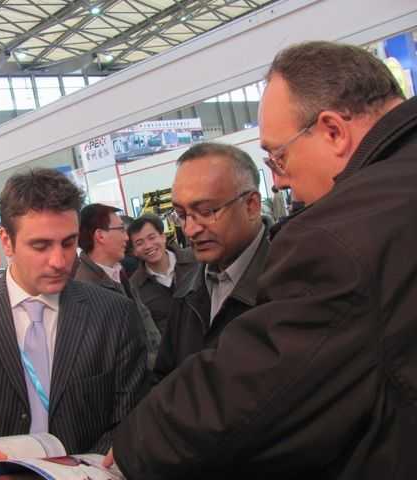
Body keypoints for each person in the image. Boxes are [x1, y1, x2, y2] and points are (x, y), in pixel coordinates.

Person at [109, 40, 416, 479]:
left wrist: (135, 445)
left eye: (279, 156)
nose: (279, 180)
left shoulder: (338, 234)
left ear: (333, 131)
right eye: (181, 214)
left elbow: (262, 385)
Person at [0, 169, 146, 480]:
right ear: (7, 242)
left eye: (68, 243)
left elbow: (131, 418)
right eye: (40, 246)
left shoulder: (114, 313)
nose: (59, 261)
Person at [150, 143, 270, 384]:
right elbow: (167, 379)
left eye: (206, 211)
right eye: (181, 215)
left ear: (251, 205)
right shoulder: (187, 290)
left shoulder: (290, 280)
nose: (190, 230)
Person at [74, 203, 161, 368]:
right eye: (121, 230)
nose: (127, 238)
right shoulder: (86, 290)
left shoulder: (118, 272)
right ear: (100, 236)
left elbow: (144, 319)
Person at [127, 213, 197, 336]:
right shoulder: (135, 286)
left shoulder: (195, 259)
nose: (148, 246)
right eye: (139, 243)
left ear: (163, 237)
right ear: (134, 252)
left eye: (152, 237)